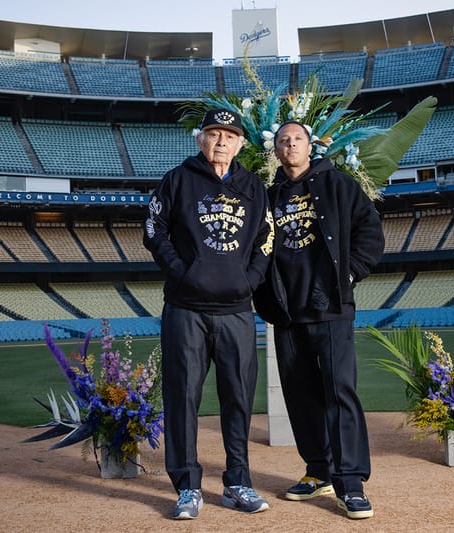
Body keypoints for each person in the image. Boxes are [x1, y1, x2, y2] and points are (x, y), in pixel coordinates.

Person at [143, 108, 274, 520]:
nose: (221, 141)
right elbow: (152, 230)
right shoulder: (177, 180)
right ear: (200, 139)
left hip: (236, 309)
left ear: (240, 144)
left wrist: (250, 280)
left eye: (229, 135)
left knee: (238, 398)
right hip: (186, 309)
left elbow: (266, 238)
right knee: (183, 397)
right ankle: (187, 487)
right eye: (214, 134)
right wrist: (181, 272)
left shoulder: (253, 186)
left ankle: (237, 483)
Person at [254, 120, 385, 520]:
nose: (290, 145)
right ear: (275, 151)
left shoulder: (339, 186)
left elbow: (371, 234)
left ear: (310, 147)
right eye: (283, 141)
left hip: (330, 308)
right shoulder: (267, 196)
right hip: (287, 312)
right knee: (300, 396)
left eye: (297, 140)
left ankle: (351, 483)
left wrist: (347, 274)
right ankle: (318, 470)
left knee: (338, 393)